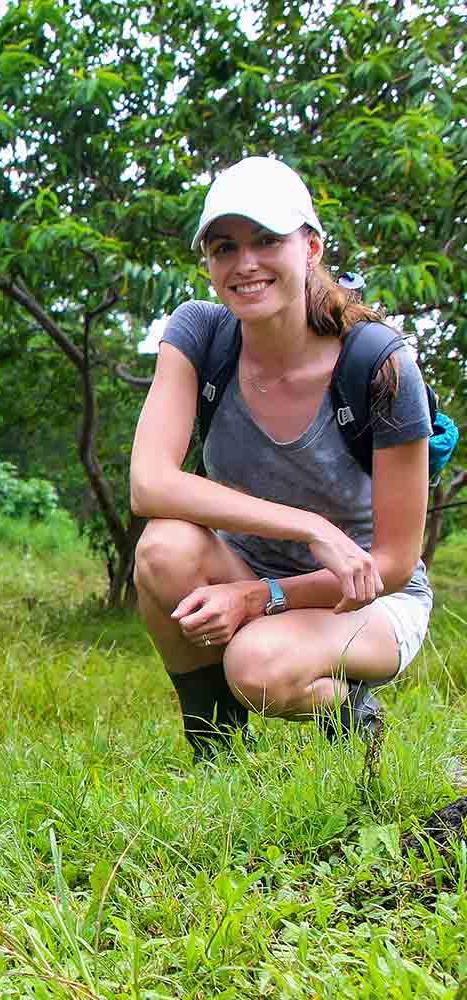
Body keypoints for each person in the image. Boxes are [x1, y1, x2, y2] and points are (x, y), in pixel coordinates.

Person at [129, 155, 433, 761]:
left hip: (367, 599)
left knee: (257, 665)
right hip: (251, 567)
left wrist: (260, 598)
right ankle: (217, 753)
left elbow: (394, 564)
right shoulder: (199, 335)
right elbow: (148, 484)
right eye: (224, 247)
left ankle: (350, 719)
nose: (245, 264)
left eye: (267, 240)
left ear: (312, 247)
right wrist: (310, 527)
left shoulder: (379, 363)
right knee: (162, 548)